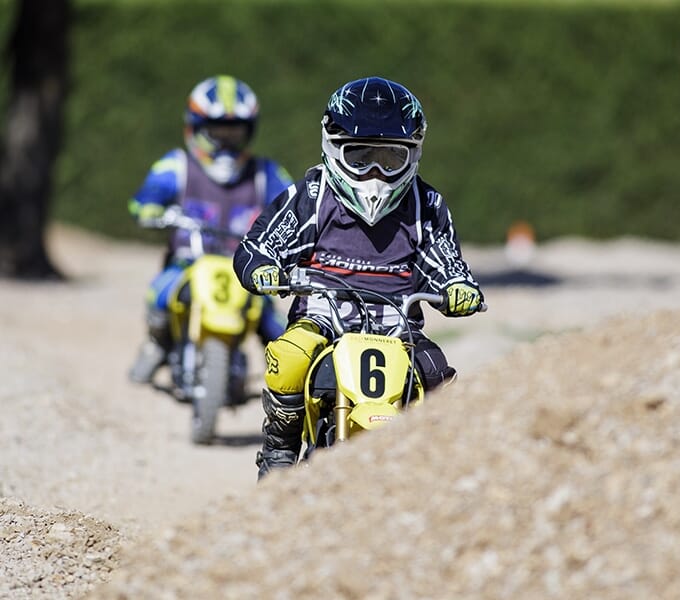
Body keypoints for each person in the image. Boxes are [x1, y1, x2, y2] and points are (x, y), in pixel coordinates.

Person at [233, 76, 484, 480]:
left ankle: (442, 471)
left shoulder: (426, 204)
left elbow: (445, 258)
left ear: (413, 153)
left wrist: (457, 287)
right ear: (333, 147)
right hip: (322, 314)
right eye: (361, 156)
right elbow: (260, 245)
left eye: (390, 158)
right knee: (290, 357)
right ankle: (279, 446)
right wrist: (263, 268)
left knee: (440, 378)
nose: (375, 173)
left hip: (398, 324)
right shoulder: (311, 196)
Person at [128, 75, 294, 384]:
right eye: (217, 132)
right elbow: (144, 199)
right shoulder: (175, 165)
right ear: (195, 128)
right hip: (187, 263)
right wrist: (151, 210)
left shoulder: (265, 172)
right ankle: (158, 344)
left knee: (276, 323)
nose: (227, 142)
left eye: (235, 133)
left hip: (244, 269)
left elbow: (295, 204)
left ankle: (289, 384)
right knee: (160, 295)